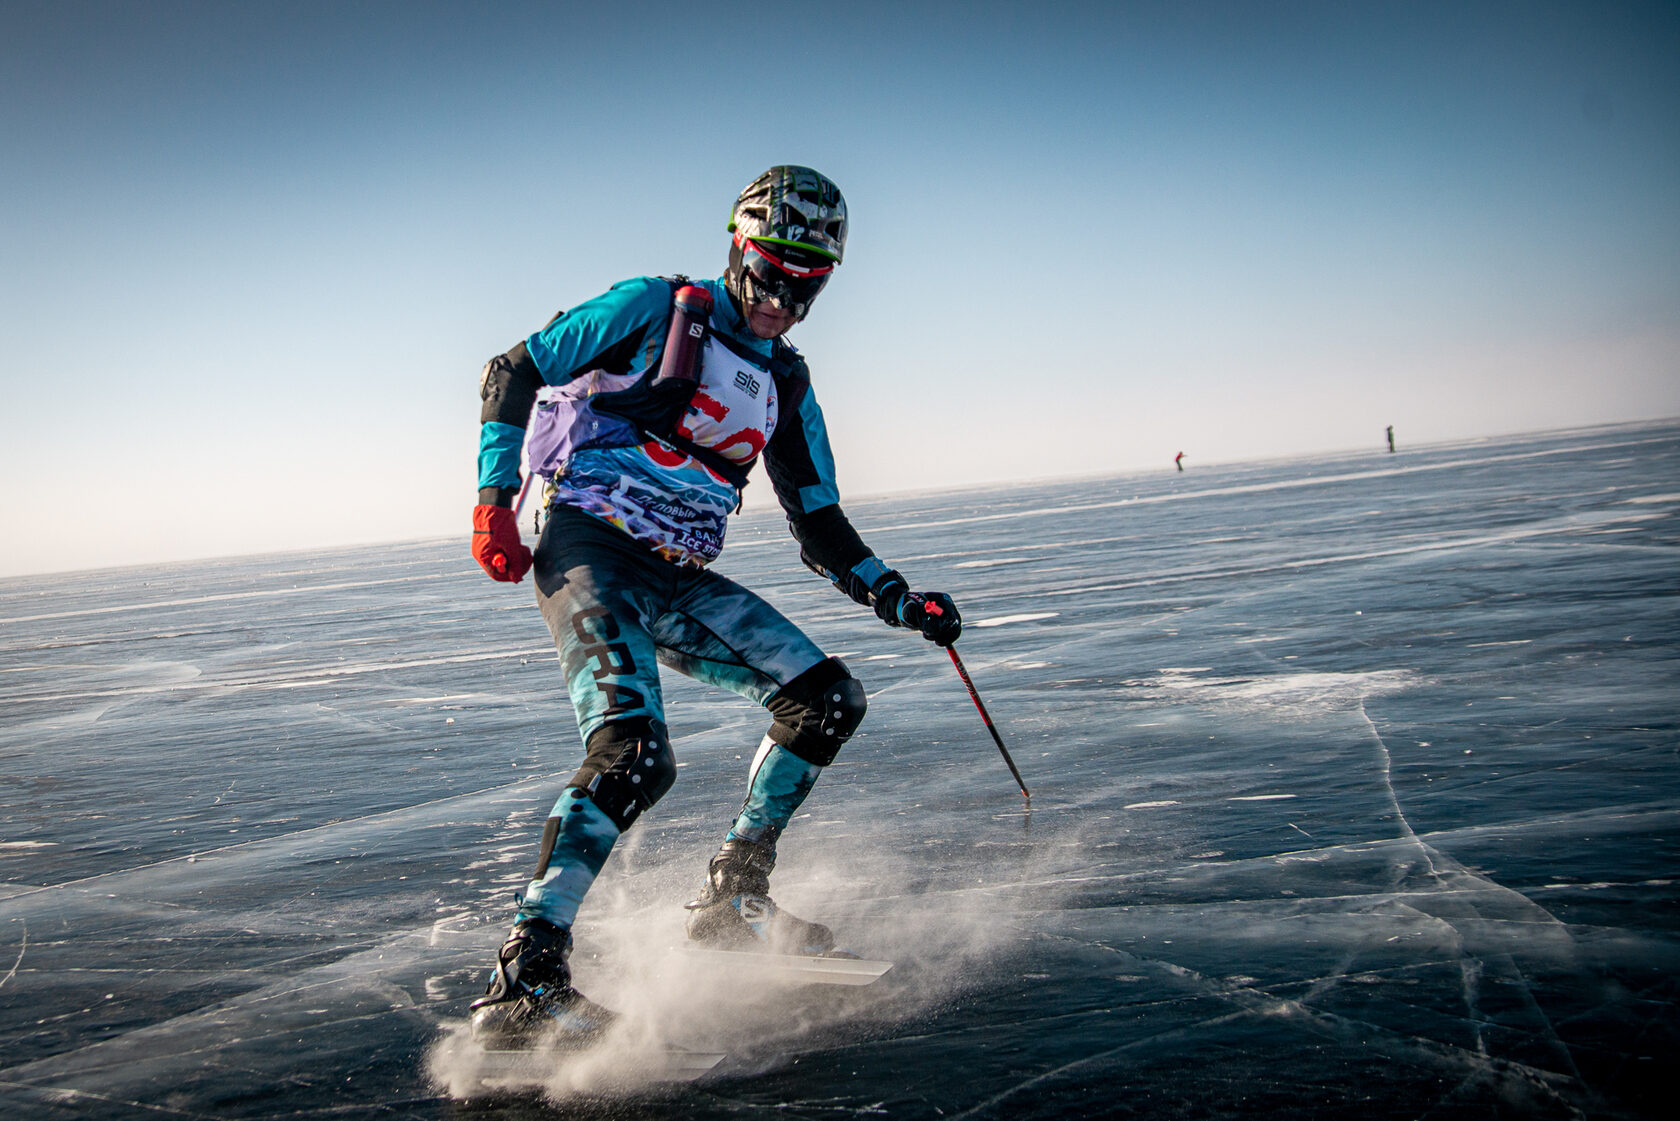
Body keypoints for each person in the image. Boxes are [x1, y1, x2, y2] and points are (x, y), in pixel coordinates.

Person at [465, 166, 963, 1043]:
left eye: (808, 282)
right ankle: (526, 978)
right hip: (592, 551)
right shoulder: (653, 306)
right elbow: (515, 369)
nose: (783, 297)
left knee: (826, 699)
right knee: (631, 754)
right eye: (771, 270)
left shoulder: (785, 379)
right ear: (738, 245)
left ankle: (733, 899)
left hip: (679, 577)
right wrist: (493, 500)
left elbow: (818, 518)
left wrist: (899, 599)